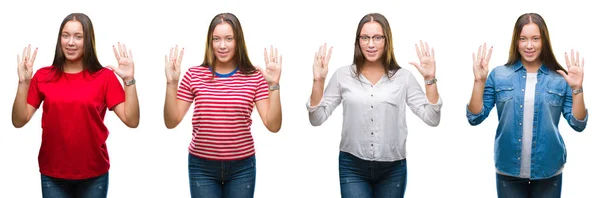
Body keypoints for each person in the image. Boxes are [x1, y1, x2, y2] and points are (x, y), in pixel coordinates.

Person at [306, 13, 442, 198]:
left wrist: (429, 79)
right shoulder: (342, 75)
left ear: (387, 41)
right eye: (365, 38)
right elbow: (316, 118)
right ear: (358, 41)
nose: (371, 44)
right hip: (352, 165)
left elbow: (432, 118)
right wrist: (318, 81)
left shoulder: (404, 78)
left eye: (377, 37)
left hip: (393, 169)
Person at [11, 13, 140, 198]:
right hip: (52, 174)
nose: (71, 42)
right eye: (66, 35)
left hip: (94, 174)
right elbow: (18, 120)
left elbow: (132, 120)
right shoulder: (42, 76)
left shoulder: (104, 77)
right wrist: (23, 83)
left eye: (78, 36)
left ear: (88, 40)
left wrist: (129, 80)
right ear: (59, 39)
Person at [466, 13, 588, 198]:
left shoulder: (560, 78)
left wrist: (577, 89)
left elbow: (578, 124)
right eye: (523, 39)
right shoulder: (499, 75)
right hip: (508, 171)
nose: (529, 45)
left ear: (543, 41)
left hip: (549, 171)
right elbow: (475, 117)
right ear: (516, 41)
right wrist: (478, 81)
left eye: (535, 39)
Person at [162, 12, 283, 198]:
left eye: (229, 38)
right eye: (216, 39)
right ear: (210, 42)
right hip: (201, 167)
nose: (222, 45)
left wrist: (273, 85)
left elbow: (273, 125)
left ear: (238, 41)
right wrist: (171, 83)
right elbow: (171, 121)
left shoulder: (254, 77)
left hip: (242, 167)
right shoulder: (194, 75)